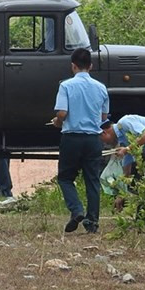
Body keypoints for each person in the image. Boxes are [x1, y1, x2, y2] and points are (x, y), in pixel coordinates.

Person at [53, 47, 109, 233]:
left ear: (73, 66)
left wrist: (57, 121)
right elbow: (103, 117)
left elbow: (62, 112)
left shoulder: (66, 86)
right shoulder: (101, 88)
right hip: (93, 139)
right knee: (92, 180)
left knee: (65, 178)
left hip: (72, 137)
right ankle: (92, 222)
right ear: (91, 66)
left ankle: (77, 210)